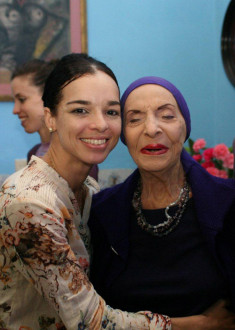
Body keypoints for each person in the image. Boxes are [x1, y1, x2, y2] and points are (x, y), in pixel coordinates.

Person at [0, 59, 233, 330]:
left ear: (185, 126)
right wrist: (199, 325)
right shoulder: (31, 201)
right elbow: (89, 320)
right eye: (80, 110)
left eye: (111, 112)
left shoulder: (91, 194)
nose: (100, 124)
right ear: (50, 117)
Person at [89, 77, 235, 324]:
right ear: (123, 134)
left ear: (184, 128)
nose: (151, 129)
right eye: (134, 119)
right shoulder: (102, 213)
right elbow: (91, 315)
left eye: (167, 116)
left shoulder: (228, 203)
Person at [11, 58, 99, 180]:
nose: (15, 110)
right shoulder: (33, 153)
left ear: (49, 96)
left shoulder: (78, 157)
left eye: (22, 99)